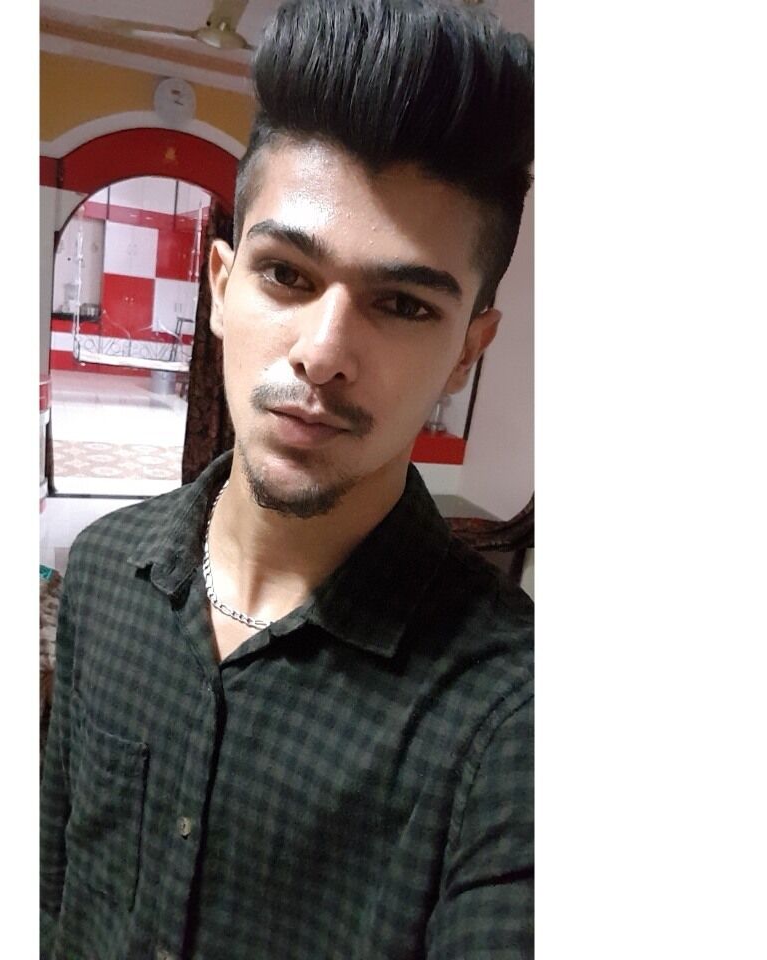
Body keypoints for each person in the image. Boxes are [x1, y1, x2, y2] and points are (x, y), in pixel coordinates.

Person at [40, 1, 534, 958]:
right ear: (221, 285)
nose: (324, 351)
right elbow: (52, 890)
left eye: (402, 304)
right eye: (288, 276)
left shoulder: (512, 720)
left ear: (468, 351)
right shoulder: (102, 572)